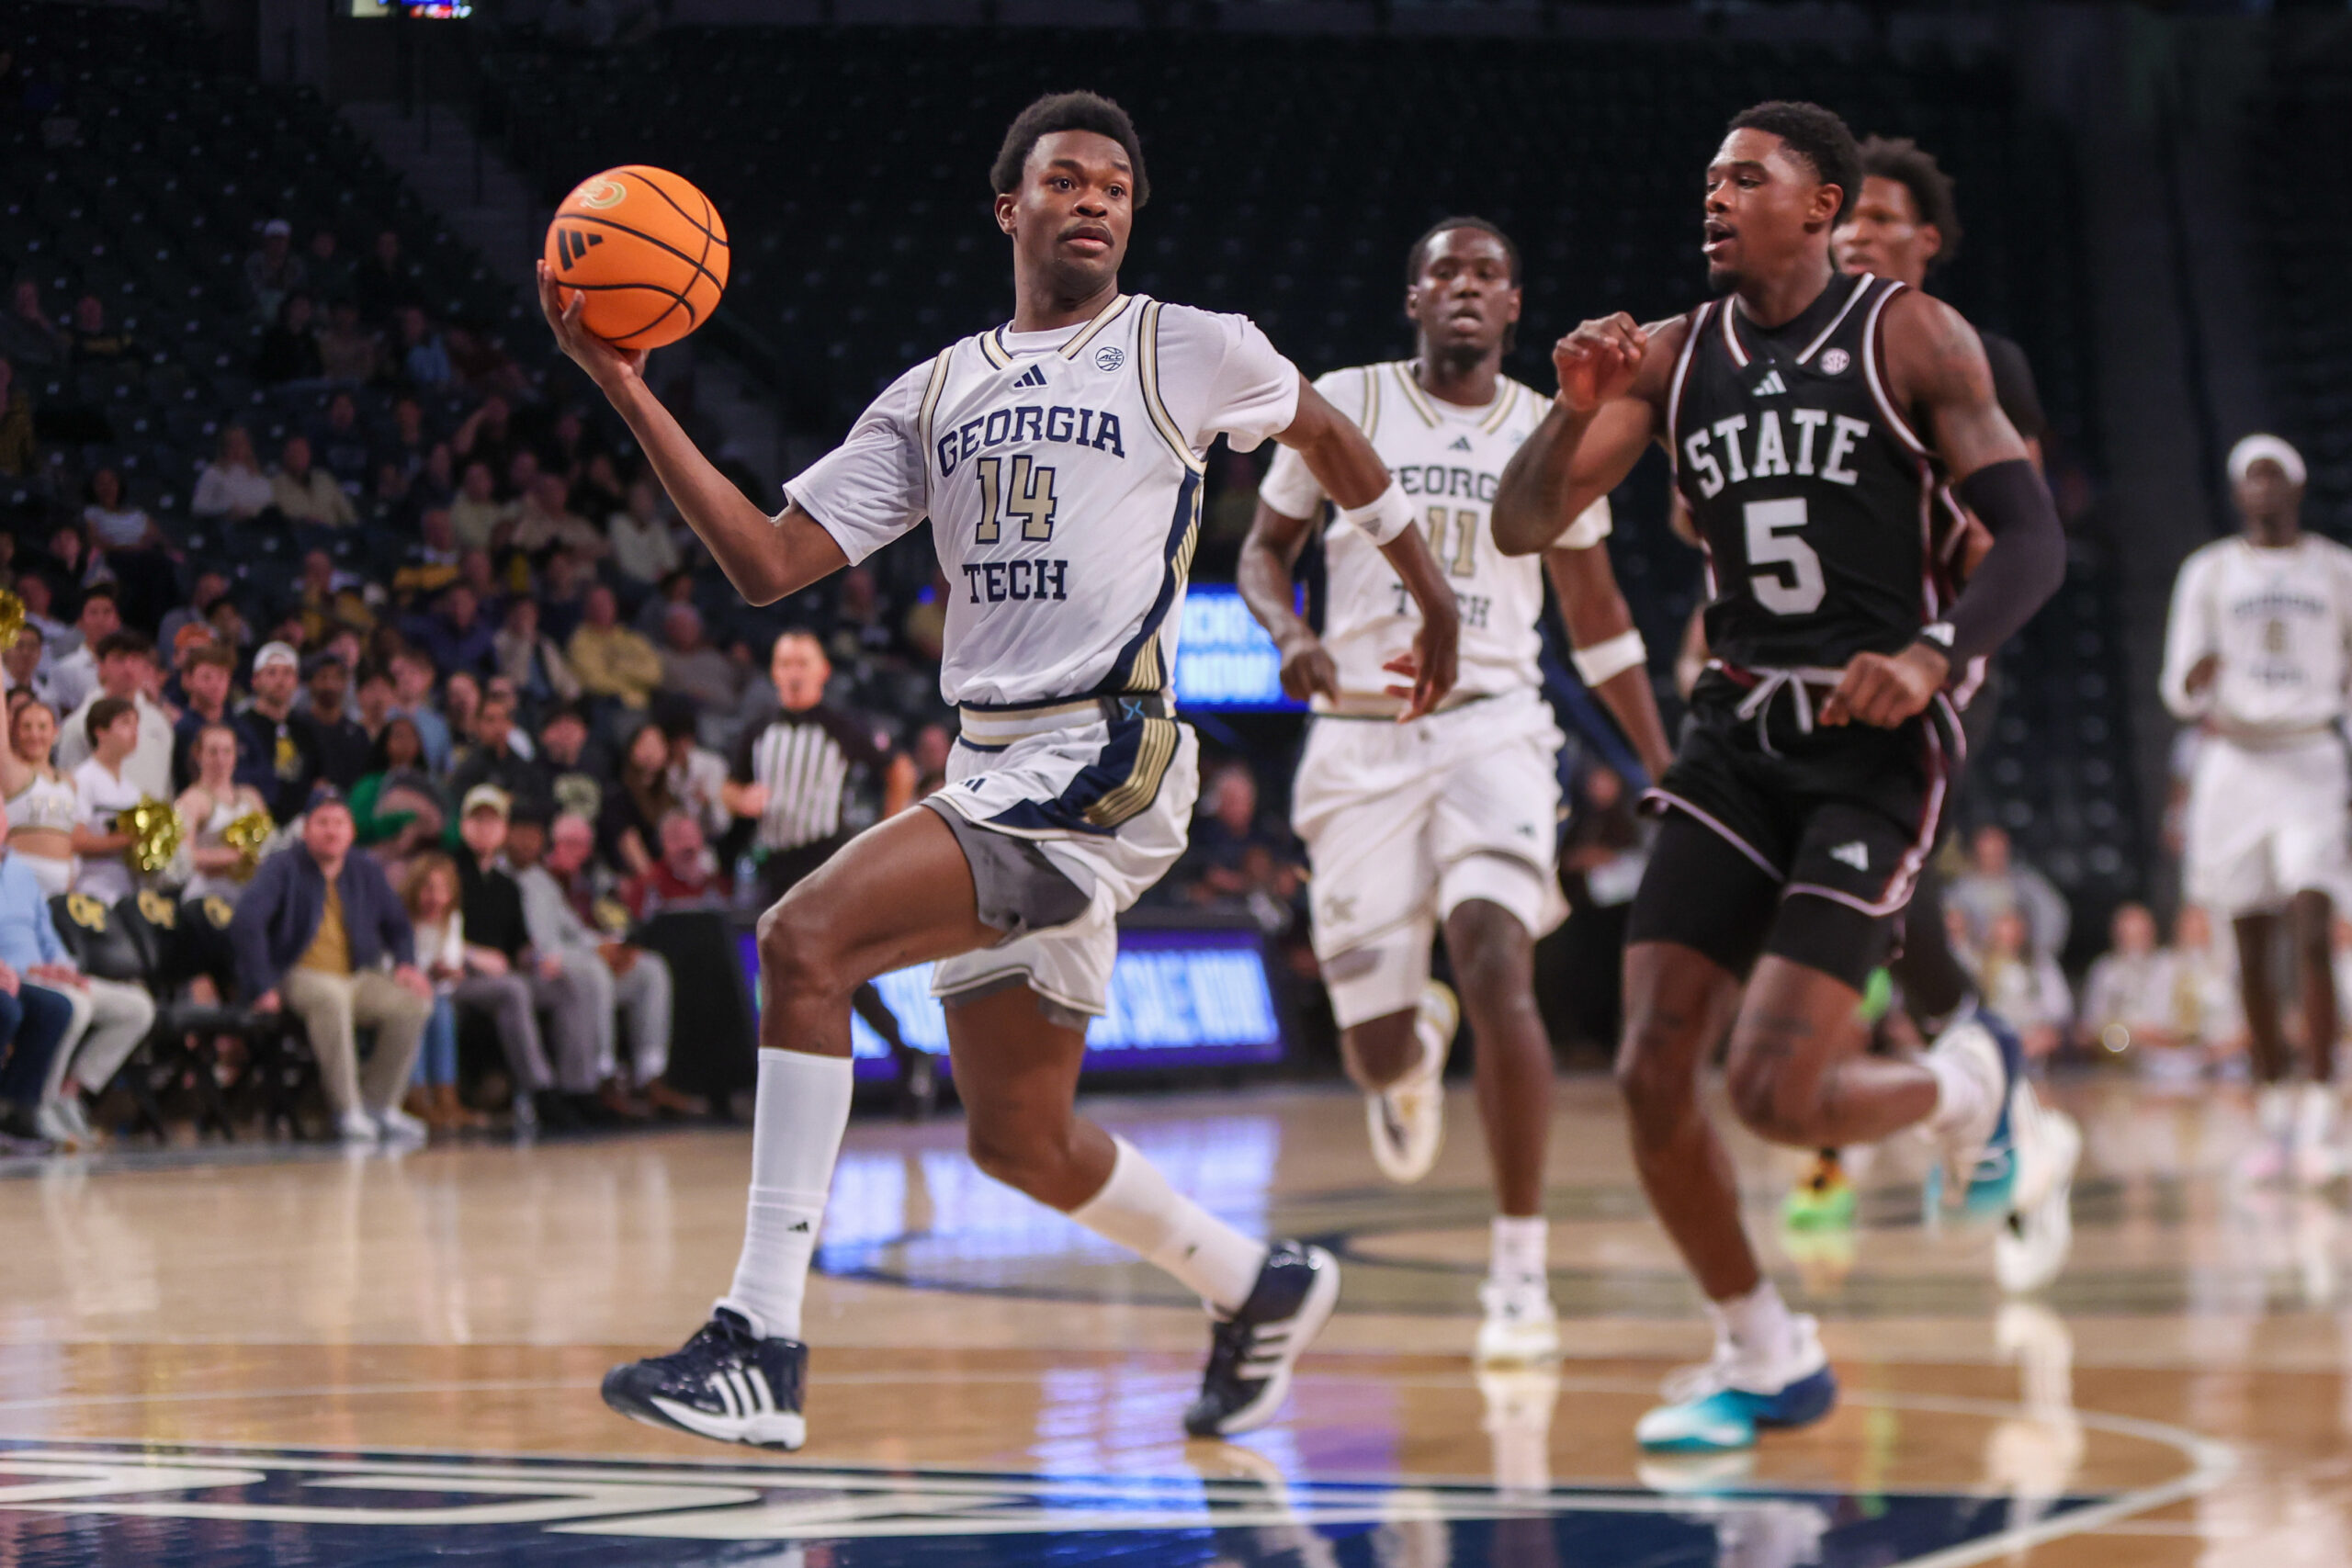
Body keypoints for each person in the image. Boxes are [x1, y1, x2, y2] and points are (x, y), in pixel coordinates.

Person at [567, 90, 1458, 1450]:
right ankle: (1256, 1281)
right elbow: (764, 561)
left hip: (1105, 745)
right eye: (1065, 179)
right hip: (994, 756)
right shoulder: (937, 391)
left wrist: (1429, 594)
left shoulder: (1185, 346)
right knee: (1018, 1138)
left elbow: (1330, 437)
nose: (1094, 197)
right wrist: (625, 385)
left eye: (1114, 183)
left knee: (802, 940)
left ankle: (760, 1336)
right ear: (1013, 207)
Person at [1489, 100, 2072, 1451]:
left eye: (1747, 178)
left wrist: (1935, 652)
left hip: (1875, 744)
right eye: (1709, 179)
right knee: (1649, 1071)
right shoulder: (1671, 355)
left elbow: (2032, 544)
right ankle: (1766, 1348)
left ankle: (1969, 1084)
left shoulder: (1912, 334)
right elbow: (1527, 519)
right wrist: (1562, 416)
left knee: (1773, 1094)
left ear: (1823, 205)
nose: (1716, 196)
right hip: (1736, 732)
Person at [1241, 216, 1673, 1363]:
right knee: (1375, 1050)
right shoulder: (1345, 400)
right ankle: (1406, 1049)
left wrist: (1661, 769)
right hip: (1356, 739)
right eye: (1445, 271)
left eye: (1489, 272)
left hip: (1492, 728)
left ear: (1516, 304)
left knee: (1494, 953)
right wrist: (1286, 633)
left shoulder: (1551, 425)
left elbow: (1597, 617)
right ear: (1413, 297)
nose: (1467, 288)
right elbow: (1259, 553)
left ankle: (1520, 1272)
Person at [2161, 433, 2352, 1186]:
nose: (2262, 488)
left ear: (2297, 487)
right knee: (2248, 942)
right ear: (2238, 492)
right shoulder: (2207, 572)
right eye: (2250, 478)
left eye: (2274, 475)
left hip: (2309, 753)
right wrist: (2197, 677)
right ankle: (2273, 1111)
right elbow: (2177, 686)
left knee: (2313, 923)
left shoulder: (2337, 568)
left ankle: (2323, 1105)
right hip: (2234, 759)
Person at [722, 630, 927, 1112]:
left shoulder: (840, 726)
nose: (793, 672)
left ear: (821, 672)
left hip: (825, 862)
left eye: (802, 663)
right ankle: (897, 1057)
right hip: (778, 865)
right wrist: (740, 800)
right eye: (785, 663)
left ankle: (877, 1063)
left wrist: (885, 834)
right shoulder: (758, 728)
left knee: (830, 969)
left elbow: (899, 770)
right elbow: (730, 788)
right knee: (802, 974)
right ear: (774, 673)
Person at [229, 792, 435, 1144]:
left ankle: (379, 1104)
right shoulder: (283, 866)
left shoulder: (363, 868)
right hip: (298, 973)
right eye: (322, 822)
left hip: (355, 974)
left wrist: (406, 965)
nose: (331, 831)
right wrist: (261, 984)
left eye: (339, 823)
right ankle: (347, 1110)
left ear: (351, 831)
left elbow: (398, 923)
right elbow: (247, 922)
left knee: (413, 1004)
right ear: (306, 829)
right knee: (330, 998)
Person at [515, 811, 688, 1116]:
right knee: (594, 971)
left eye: (581, 845)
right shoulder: (536, 881)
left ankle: (650, 1075)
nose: (574, 851)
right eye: (567, 843)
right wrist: (598, 951)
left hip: (590, 963)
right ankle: (603, 1076)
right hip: (553, 968)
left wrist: (614, 947)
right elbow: (547, 943)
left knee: (650, 969)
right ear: (551, 844)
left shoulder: (593, 880)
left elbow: (607, 924)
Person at [453, 785, 596, 1126]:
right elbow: (428, 933)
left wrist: (536, 959)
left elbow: (520, 945)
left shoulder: (506, 885)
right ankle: (541, 1090)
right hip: (461, 977)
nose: (486, 829)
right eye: (478, 821)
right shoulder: (448, 872)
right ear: (463, 826)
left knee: (564, 987)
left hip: (504, 975)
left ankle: (579, 1087)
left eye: (493, 822)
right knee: (514, 991)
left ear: (503, 830)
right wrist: (473, 955)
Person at [0, 808, 132, 1150]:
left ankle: (24, 1107)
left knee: (60, 1007)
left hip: (36, 974)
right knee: (14, 1009)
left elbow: (46, 932)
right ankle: (39, 1105)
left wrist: (63, 966)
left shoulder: (20, 872)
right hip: (12, 974)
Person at [398, 852, 486, 1134]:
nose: (436, 898)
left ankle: (447, 1097)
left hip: (435, 992)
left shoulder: (452, 920)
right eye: (428, 889)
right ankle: (417, 1094)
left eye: (443, 890)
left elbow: (451, 966)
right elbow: (392, 965)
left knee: (442, 1008)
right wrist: (424, 974)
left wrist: (448, 972)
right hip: (401, 989)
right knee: (424, 1005)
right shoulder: (400, 918)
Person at [55, 632, 174, 797]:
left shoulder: (159, 721)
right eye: (119, 659)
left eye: (135, 659)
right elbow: (67, 784)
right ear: (101, 667)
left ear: (146, 668)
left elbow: (166, 785)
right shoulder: (78, 725)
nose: (128, 668)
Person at [176, 721, 273, 905]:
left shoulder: (250, 796)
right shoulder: (192, 800)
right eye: (213, 752)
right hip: (206, 897)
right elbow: (182, 856)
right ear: (198, 754)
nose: (220, 760)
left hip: (248, 895)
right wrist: (234, 857)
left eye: (227, 751)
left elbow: (269, 844)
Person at [1948, 825, 2070, 964]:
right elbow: (1953, 927)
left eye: (1998, 853)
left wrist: (2038, 953)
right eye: (1988, 854)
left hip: (2024, 959)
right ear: (1976, 854)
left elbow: (2053, 914)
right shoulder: (1962, 889)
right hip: (1977, 961)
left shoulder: (2026, 881)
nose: (1993, 859)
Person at [68, 697, 146, 904]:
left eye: (136, 724)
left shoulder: (133, 791)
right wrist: (129, 840)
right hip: (93, 890)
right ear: (100, 731)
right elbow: (76, 841)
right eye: (125, 723)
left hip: (128, 891)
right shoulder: (82, 779)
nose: (134, 731)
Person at [3, 701, 78, 896]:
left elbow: (71, 838)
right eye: (26, 727)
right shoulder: (14, 774)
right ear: (14, 733)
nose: (34, 735)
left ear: (55, 732)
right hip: (20, 885)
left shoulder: (69, 781)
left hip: (61, 889)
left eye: (42, 727)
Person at [238, 642, 317, 823]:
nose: (280, 680)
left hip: (299, 824)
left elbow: (316, 778)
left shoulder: (305, 729)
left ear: (296, 681)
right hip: (254, 820)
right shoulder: (241, 726)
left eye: (287, 673)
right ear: (255, 680)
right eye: (272, 672)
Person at [568, 583, 663, 710]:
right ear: (586, 609)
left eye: (607, 603)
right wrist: (634, 682)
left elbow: (655, 675)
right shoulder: (579, 641)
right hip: (609, 704)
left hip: (645, 704)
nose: (602, 609)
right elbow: (594, 682)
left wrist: (619, 666)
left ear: (615, 606)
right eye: (597, 604)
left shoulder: (632, 638)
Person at [297, 653, 371, 794]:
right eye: (323, 677)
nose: (330, 685)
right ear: (310, 682)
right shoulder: (297, 728)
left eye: (337, 678)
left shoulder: (358, 734)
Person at [42, 586, 119, 718]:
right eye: (93, 613)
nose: (100, 620)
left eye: (107, 612)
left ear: (117, 620)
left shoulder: (128, 667)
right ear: (80, 622)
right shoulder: (66, 668)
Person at [269, 435, 356, 529]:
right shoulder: (275, 485)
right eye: (294, 452)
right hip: (300, 537)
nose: (298, 457)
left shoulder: (324, 478)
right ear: (285, 455)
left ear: (309, 454)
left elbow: (347, 513)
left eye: (302, 452)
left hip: (333, 536)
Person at [607, 478, 682, 585]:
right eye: (639, 499)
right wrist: (654, 575)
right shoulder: (619, 524)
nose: (645, 504)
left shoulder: (657, 525)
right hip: (634, 584)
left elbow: (671, 560)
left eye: (648, 498)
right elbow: (627, 565)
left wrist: (667, 574)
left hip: (665, 582)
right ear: (630, 502)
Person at [244, 218, 307, 322]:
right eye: (275, 239)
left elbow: (298, 287)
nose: (279, 243)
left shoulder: (295, 263)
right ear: (266, 240)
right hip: (259, 304)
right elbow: (253, 288)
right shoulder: (254, 261)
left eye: (283, 239)